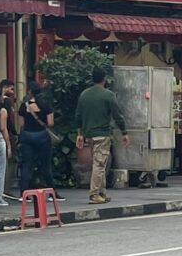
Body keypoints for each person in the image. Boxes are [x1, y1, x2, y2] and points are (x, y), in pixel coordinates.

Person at [74, 67, 128, 205]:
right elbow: (118, 115)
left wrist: (79, 134)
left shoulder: (84, 94)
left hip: (88, 134)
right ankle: (94, 194)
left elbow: (78, 116)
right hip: (102, 134)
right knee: (99, 164)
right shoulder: (108, 95)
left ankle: (102, 192)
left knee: (99, 163)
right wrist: (124, 132)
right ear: (104, 79)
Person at [19, 80, 63, 199]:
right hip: (42, 136)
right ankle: (52, 193)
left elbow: (22, 124)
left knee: (27, 165)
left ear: (30, 91)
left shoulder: (24, 105)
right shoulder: (45, 104)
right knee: (46, 165)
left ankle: (24, 194)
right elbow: (50, 122)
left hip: (27, 135)